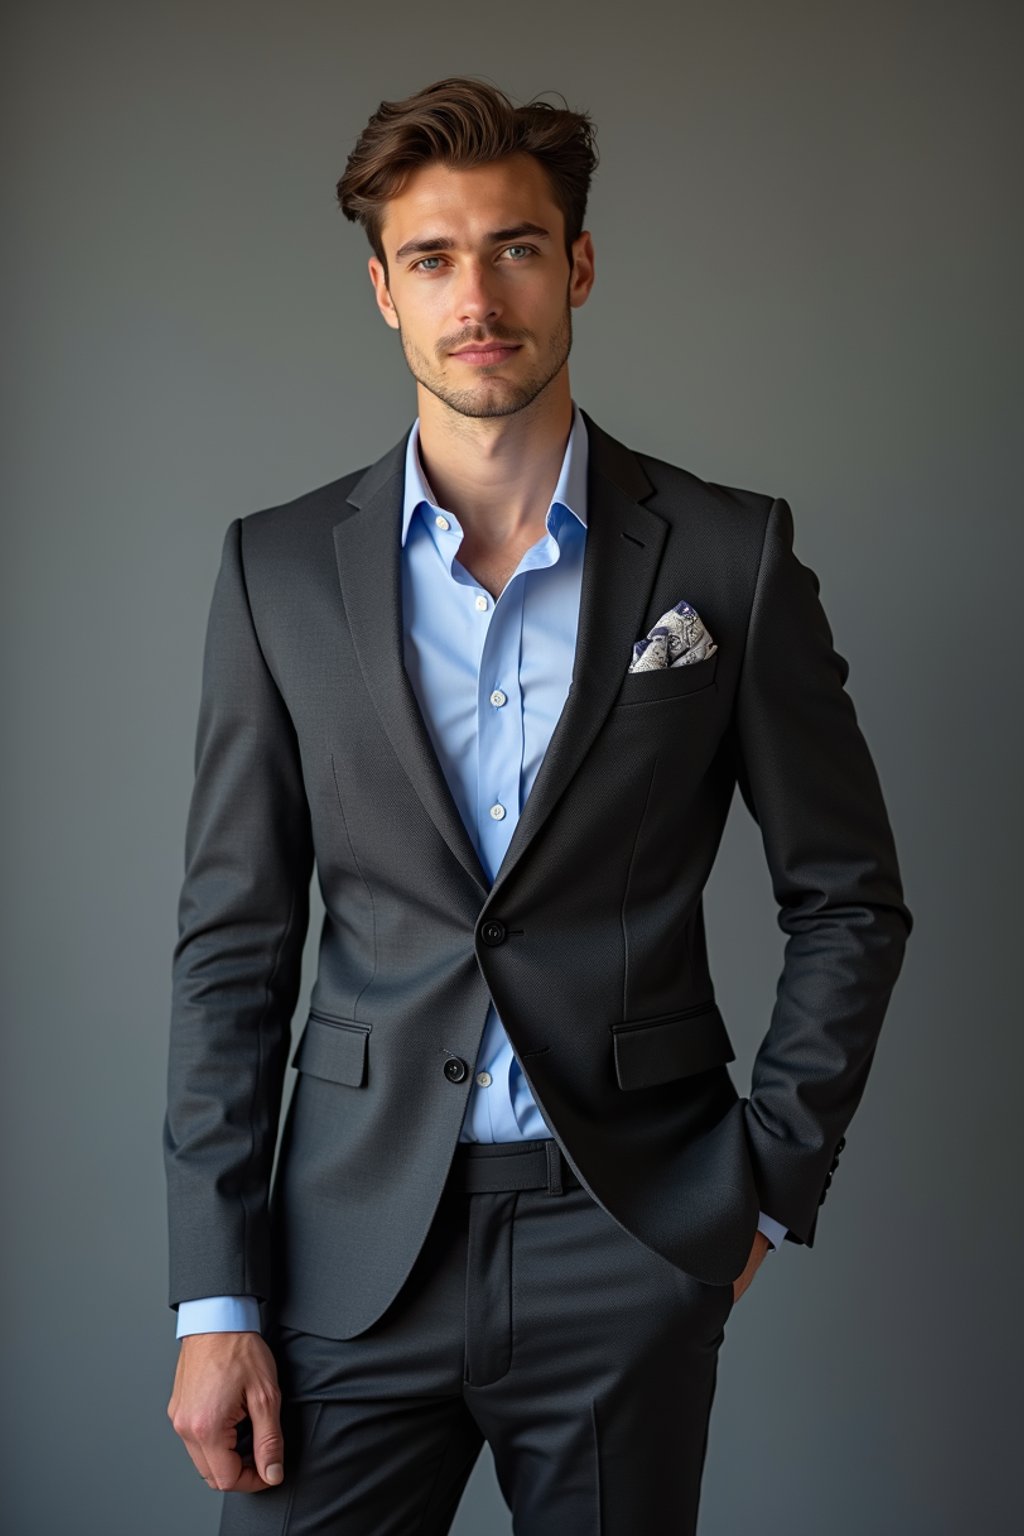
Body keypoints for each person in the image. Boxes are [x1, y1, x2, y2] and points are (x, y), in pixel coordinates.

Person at [164, 75, 912, 1535]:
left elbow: (849, 897)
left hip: (628, 1234)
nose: (477, 296)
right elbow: (230, 949)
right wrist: (215, 1290)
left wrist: (762, 1190)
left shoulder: (725, 556)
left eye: (513, 247)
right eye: (433, 259)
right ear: (382, 290)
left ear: (576, 264)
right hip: (347, 1250)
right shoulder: (274, 574)